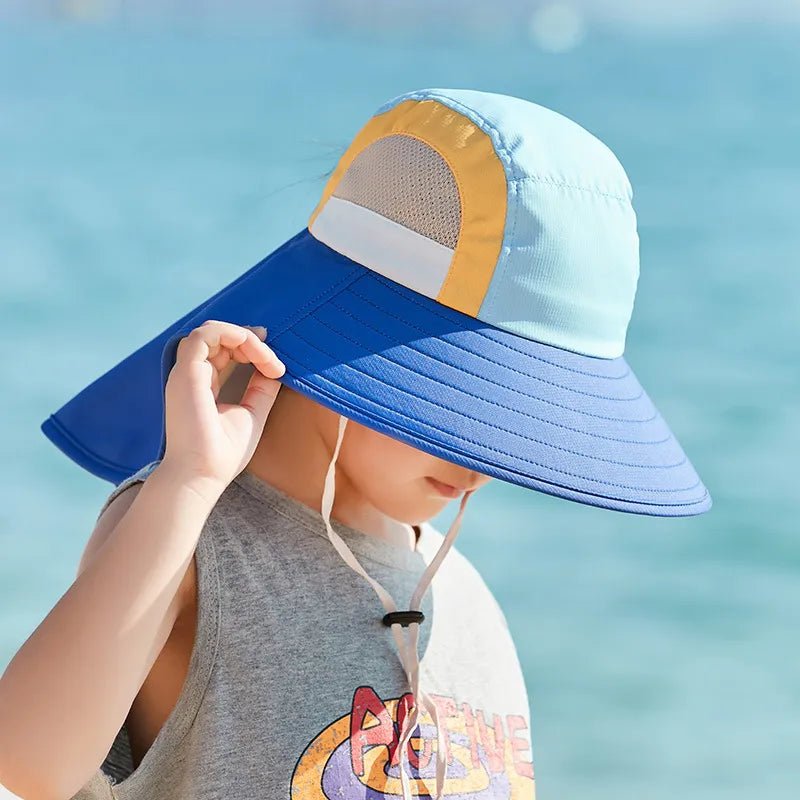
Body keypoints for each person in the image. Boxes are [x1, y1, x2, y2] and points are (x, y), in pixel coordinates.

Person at [0, 87, 712, 800]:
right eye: (464, 402)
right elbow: (28, 762)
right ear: (357, 341)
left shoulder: (457, 586)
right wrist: (187, 481)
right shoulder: (199, 542)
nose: (482, 462)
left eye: (513, 422)